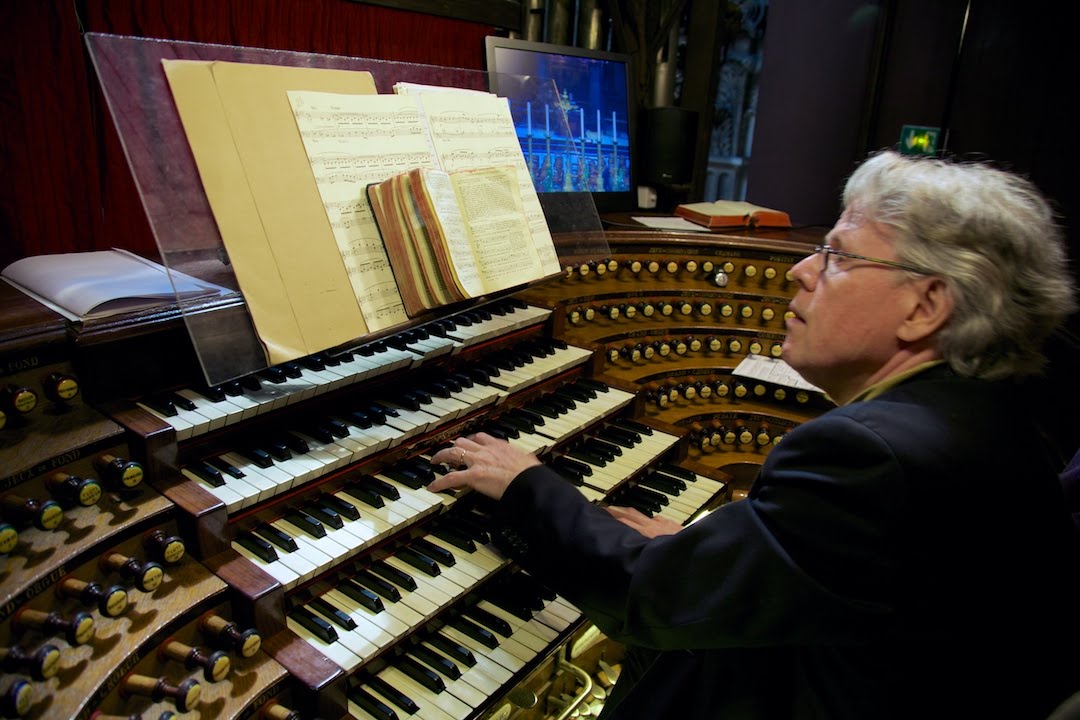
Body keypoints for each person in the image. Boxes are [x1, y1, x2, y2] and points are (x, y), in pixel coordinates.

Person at [428, 150, 1080, 719]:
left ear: (925, 306)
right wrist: (705, 550)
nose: (800, 270)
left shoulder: (870, 456)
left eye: (837, 256)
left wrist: (527, 486)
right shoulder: (993, 419)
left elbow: (647, 595)